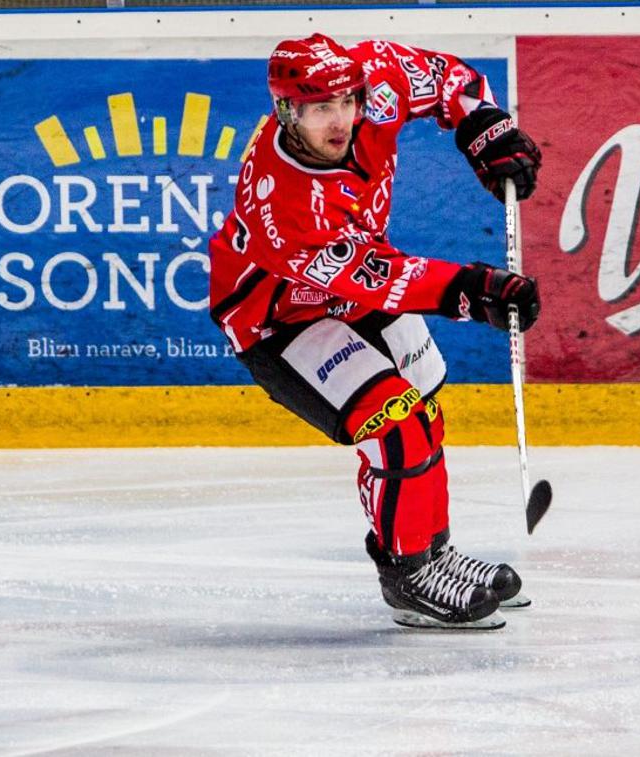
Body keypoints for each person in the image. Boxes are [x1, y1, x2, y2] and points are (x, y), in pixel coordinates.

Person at [207, 33, 542, 630]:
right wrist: (472, 289)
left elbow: (448, 78)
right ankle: (408, 572)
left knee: (425, 413)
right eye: (318, 110)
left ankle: (433, 550)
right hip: (280, 317)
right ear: (287, 112)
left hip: (354, 283)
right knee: (395, 424)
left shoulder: (375, 79)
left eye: (346, 102)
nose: (340, 121)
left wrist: (486, 131)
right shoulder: (282, 202)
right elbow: (374, 278)